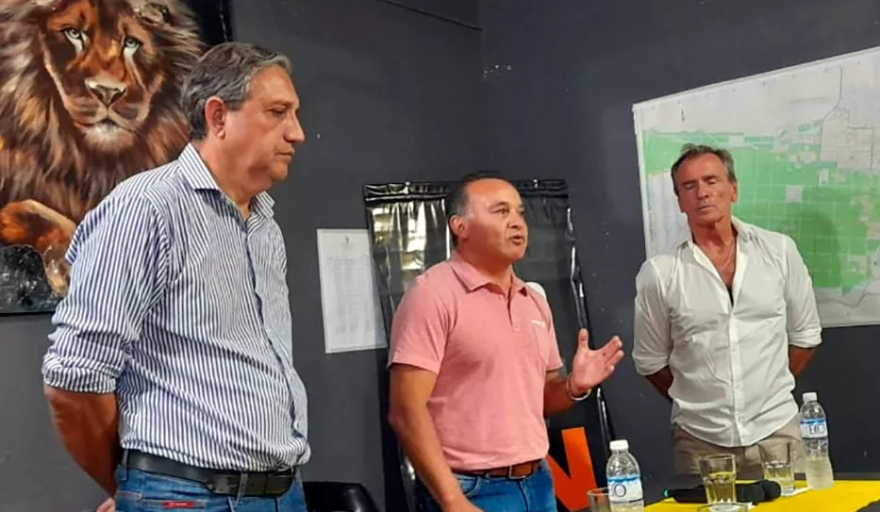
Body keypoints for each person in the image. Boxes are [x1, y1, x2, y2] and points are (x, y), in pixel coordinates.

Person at [41, 42, 309, 511]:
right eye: (277, 112)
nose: (297, 133)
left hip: (282, 492)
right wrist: (130, 487)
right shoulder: (146, 209)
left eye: (295, 114)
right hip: (188, 497)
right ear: (218, 116)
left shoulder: (265, 224)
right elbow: (74, 380)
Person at [387, 173, 625, 512]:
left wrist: (574, 387)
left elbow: (543, 399)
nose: (517, 223)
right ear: (460, 226)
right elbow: (405, 410)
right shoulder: (432, 295)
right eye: (501, 211)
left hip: (538, 482)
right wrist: (453, 500)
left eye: (519, 212)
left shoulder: (533, 301)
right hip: (470, 490)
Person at [633, 144, 822, 479]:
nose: (702, 193)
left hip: (777, 431)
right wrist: (699, 399)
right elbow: (650, 361)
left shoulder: (779, 252)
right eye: (689, 186)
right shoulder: (660, 273)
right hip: (699, 441)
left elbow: (806, 336)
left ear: (733, 189)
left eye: (711, 181)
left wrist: (767, 389)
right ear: (679, 201)